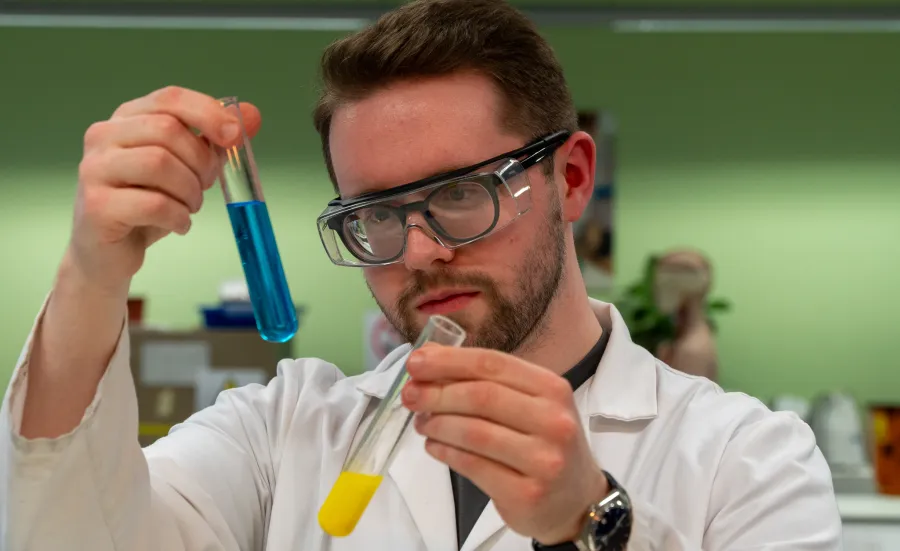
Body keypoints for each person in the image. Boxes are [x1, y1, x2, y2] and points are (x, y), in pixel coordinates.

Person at [0, 1, 842, 550]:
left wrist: (594, 523)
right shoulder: (286, 432)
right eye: (373, 214)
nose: (417, 250)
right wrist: (90, 273)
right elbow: (71, 534)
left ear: (572, 178)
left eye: (461, 194)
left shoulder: (746, 458)